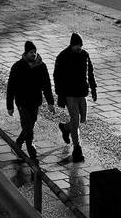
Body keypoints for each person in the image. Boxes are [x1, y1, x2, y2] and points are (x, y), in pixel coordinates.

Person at [6, 40, 55, 162]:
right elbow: (11, 87)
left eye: (34, 52)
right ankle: (32, 154)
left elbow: (46, 85)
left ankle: (17, 144)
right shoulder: (17, 66)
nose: (33, 54)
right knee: (28, 129)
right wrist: (10, 106)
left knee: (30, 126)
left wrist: (50, 102)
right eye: (31, 52)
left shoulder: (41, 66)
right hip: (22, 102)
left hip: (35, 102)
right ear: (26, 53)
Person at [53, 32, 97, 162]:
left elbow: (90, 72)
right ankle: (77, 148)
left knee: (82, 119)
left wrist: (93, 89)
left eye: (80, 45)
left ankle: (65, 128)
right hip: (69, 94)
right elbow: (57, 76)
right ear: (72, 45)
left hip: (82, 92)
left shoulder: (85, 55)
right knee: (75, 119)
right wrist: (60, 94)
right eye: (77, 45)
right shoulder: (63, 56)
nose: (79, 48)